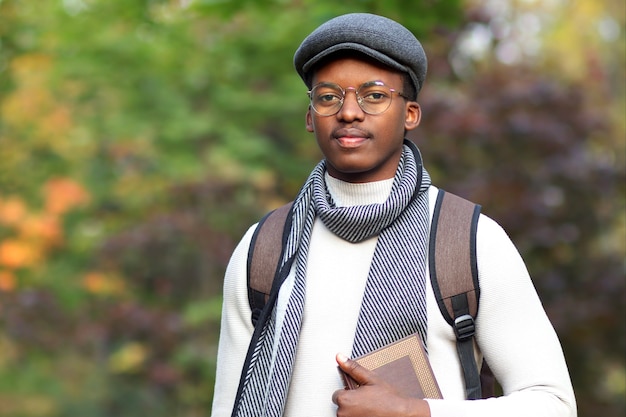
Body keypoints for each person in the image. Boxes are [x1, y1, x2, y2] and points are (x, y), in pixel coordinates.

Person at [211, 12, 577, 417]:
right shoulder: (264, 248)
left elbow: (553, 404)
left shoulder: (468, 241)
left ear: (410, 115)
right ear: (310, 117)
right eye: (329, 96)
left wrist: (416, 412)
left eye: (374, 95)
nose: (349, 112)